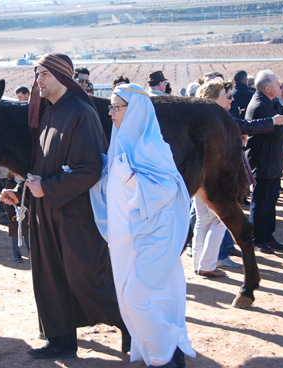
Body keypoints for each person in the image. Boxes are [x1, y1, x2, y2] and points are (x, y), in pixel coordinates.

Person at [0, 53, 127, 359]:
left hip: (74, 213)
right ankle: (60, 340)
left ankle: (134, 326)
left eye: (43, 74)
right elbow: (42, 165)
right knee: (50, 276)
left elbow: (89, 168)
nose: (38, 80)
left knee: (85, 277)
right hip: (45, 211)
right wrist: (22, 191)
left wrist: (47, 188)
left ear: (62, 76)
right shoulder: (49, 112)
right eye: (36, 74)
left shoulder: (81, 113)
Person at [90, 83, 195, 367]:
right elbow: (114, 188)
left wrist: (130, 178)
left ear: (134, 110)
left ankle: (168, 352)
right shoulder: (120, 144)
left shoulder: (151, 145)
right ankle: (164, 352)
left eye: (116, 106)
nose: (110, 111)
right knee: (133, 300)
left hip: (154, 238)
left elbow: (167, 190)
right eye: (110, 105)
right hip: (128, 240)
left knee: (136, 297)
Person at [197, 79, 283, 268]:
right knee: (218, 220)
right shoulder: (216, 116)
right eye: (226, 95)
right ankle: (208, 264)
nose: (230, 99)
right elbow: (245, 125)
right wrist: (273, 121)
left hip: (200, 175)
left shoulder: (200, 116)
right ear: (214, 98)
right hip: (215, 175)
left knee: (202, 220)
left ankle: (201, 263)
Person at [245, 70, 283, 254]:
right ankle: (258, 238)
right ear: (268, 88)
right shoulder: (260, 105)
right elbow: (275, 134)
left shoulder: (272, 102)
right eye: (277, 83)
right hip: (262, 161)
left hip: (272, 160)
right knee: (261, 202)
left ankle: (268, 235)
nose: (280, 86)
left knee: (271, 200)